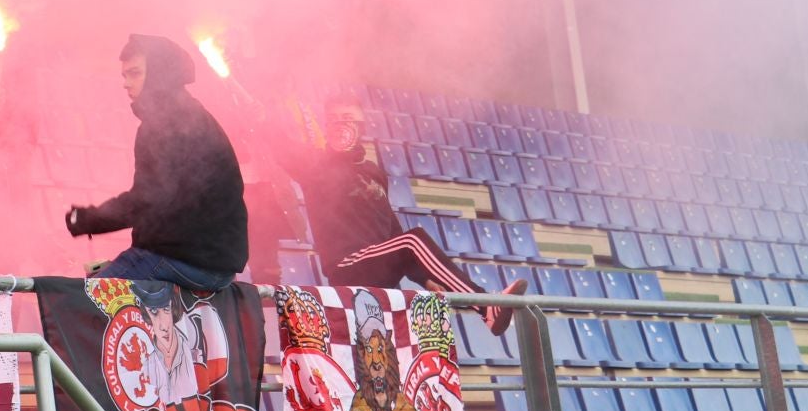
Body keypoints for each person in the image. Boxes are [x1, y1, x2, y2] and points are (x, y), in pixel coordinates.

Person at [264, 94, 526, 335]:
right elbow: (277, 144)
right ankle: (486, 308)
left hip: (378, 266)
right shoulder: (315, 166)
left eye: (347, 119)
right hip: (347, 267)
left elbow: (391, 229)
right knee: (413, 240)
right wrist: (264, 112)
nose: (340, 126)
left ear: (362, 127)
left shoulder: (373, 171)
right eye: (333, 120)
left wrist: (424, 277)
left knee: (386, 350)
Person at [63, 34, 249, 290]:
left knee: (85, 303)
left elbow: (148, 199)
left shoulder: (163, 123)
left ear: (160, 74)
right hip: (218, 265)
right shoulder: (192, 114)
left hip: (188, 259)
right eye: (124, 76)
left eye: (135, 73)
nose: (126, 84)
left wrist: (85, 219)